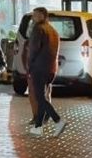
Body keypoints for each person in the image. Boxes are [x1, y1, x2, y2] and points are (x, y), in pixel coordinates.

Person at [26, 7, 65, 136]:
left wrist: (29, 66)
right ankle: (38, 127)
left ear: (43, 16)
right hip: (51, 68)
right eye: (33, 15)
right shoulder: (53, 30)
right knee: (41, 96)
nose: (33, 18)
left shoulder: (38, 29)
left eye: (36, 15)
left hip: (39, 68)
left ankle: (58, 120)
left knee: (39, 98)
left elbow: (33, 49)